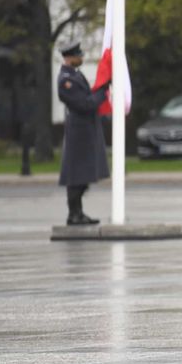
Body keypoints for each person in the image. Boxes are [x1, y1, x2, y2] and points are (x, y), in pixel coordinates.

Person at [57, 42, 110, 226]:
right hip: (78, 131)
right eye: (78, 55)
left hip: (84, 129)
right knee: (76, 174)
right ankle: (73, 213)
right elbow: (84, 104)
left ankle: (78, 212)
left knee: (83, 174)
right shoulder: (66, 80)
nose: (82, 58)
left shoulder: (75, 75)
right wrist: (102, 93)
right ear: (70, 57)